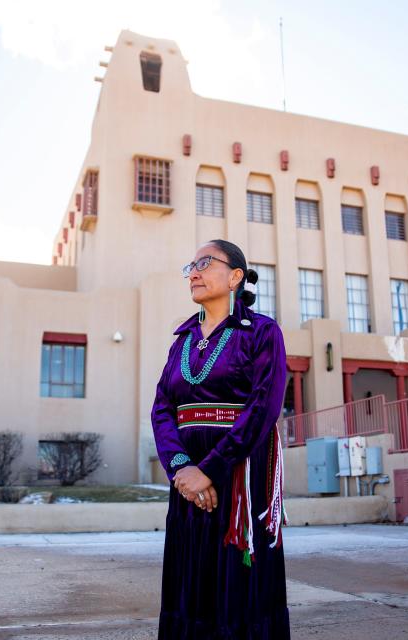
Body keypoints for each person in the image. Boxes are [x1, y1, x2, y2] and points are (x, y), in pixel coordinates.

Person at [151, 239, 291, 639]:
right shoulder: (181, 340)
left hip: (239, 469)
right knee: (189, 574)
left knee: (239, 572)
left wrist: (210, 470)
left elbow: (264, 407)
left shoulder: (261, 332)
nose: (193, 272)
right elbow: (162, 408)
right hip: (187, 477)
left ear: (235, 277)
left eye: (204, 263)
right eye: (190, 266)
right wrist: (182, 469)